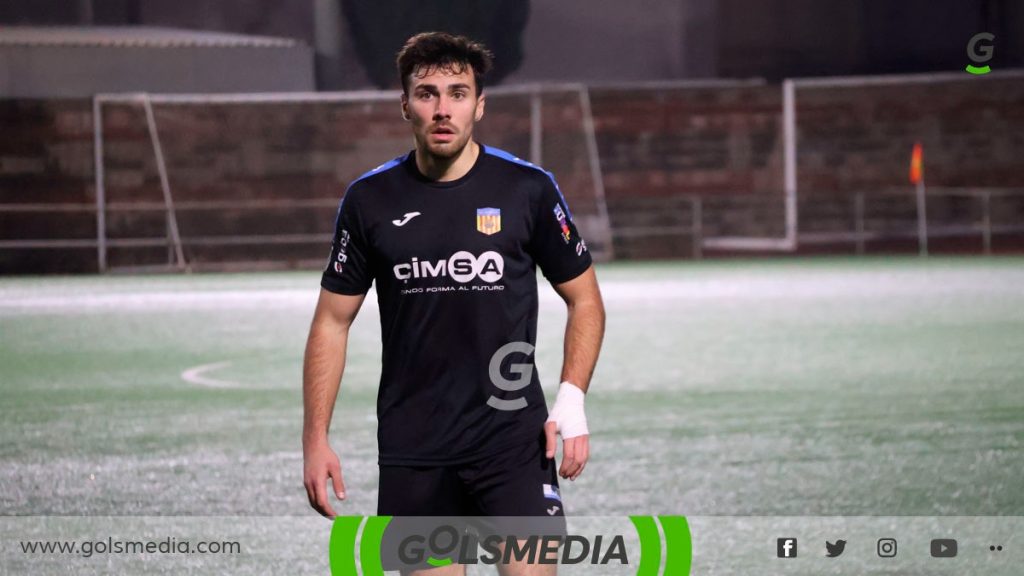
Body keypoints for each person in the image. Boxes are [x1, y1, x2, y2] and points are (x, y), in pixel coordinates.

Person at [302, 31, 605, 575]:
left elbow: (584, 298)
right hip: (414, 450)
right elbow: (331, 321)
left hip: (513, 444)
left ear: (479, 105)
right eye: (427, 93)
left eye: (458, 93)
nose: (443, 109)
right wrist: (315, 439)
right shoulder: (369, 200)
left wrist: (572, 399)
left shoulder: (528, 190)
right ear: (405, 105)